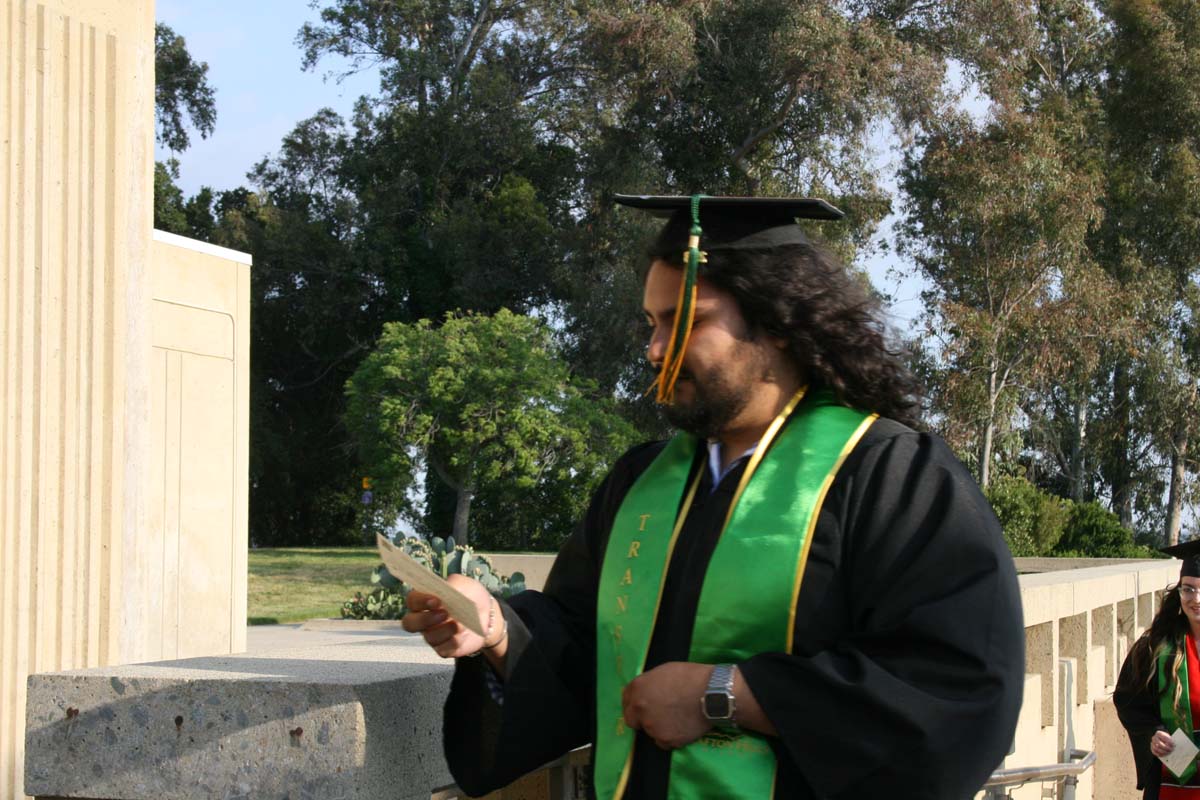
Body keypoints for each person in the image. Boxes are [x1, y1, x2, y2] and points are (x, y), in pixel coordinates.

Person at [402, 194, 1025, 799]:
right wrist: (497, 630)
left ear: (778, 324)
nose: (654, 351)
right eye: (651, 324)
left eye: (686, 322)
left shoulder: (889, 476)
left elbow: (954, 687)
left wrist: (725, 695)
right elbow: (583, 650)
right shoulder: (642, 483)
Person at [1115, 541, 1200, 798]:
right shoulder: (1157, 648)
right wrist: (1154, 732)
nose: (1195, 599)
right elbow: (1128, 701)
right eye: (1189, 589)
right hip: (1173, 779)